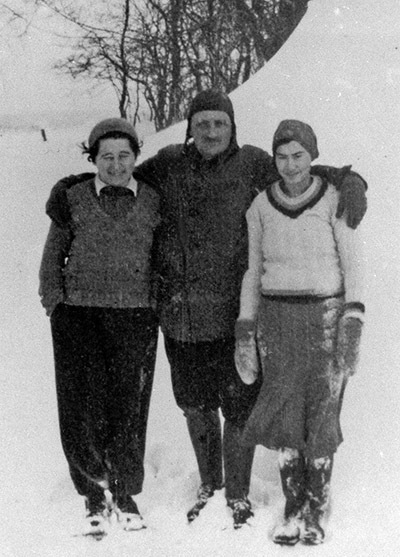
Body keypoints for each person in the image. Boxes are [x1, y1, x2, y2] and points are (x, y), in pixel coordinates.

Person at [45, 91, 367, 529]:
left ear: (232, 127)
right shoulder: (168, 163)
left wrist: (350, 180)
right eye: (202, 124)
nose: (211, 132)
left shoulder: (253, 163)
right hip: (180, 317)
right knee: (194, 404)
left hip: (235, 316)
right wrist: (68, 187)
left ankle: (236, 495)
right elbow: (118, 174)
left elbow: (301, 170)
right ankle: (208, 487)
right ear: (189, 127)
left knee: (238, 407)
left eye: (219, 123)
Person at [235, 119, 365, 544]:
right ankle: (293, 506)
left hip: (324, 320)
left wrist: (353, 320)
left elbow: (353, 265)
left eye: (299, 156)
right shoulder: (259, 206)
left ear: (313, 157)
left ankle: (317, 505)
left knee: (322, 415)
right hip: (277, 324)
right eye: (282, 156)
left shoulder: (334, 200)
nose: (290, 166)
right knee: (283, 417)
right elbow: (253, 270)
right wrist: (246, 326)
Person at [39, 118, 160, 538]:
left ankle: (125, 493)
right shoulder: (72, 197)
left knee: (129, 406)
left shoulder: (152, 200)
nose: (115, 164)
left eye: (123, 155)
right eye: (105, 156)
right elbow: (52, 256)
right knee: (81, 405)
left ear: (135, 157)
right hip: (79, 317)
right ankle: (92, 491)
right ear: (93, 158)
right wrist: (55, 303)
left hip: (135, 316)